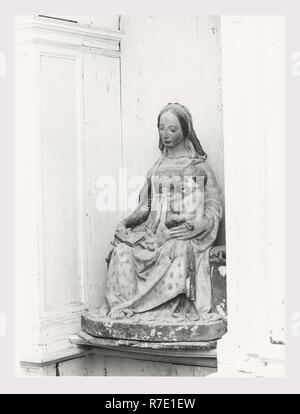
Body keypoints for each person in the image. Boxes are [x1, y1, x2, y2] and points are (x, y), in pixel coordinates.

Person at [99, 103, 223, 323]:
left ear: (186, 130)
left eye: (173, 129)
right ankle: (130, 308)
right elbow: (146, 206)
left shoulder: (198, 166)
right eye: (161, 128)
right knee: (121, 251)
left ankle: (166, 307)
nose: (166, 134)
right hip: (151, 236)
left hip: (180, 235)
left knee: (180, 249)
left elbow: (213, 206)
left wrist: (199, 225)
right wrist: (126, 223)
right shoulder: (156, 167)